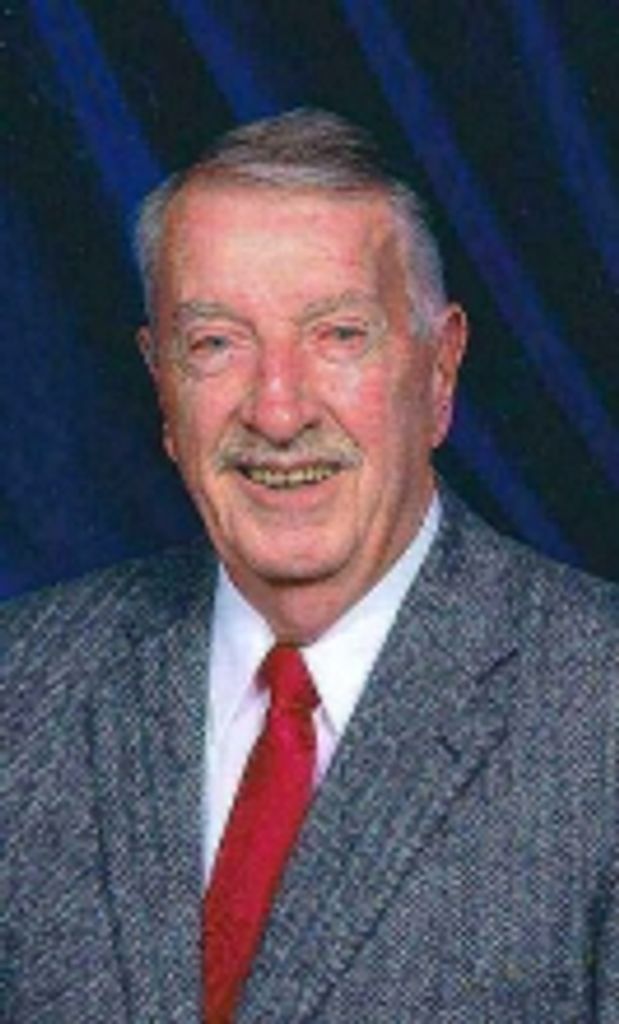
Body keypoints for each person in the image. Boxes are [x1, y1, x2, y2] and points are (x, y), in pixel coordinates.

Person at [3, 109, 617, 1023]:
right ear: (162, 383)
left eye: (338, 335)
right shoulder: (21, 683)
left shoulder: (598, 705)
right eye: (216, 343)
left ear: (439, 370)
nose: (278, 411)